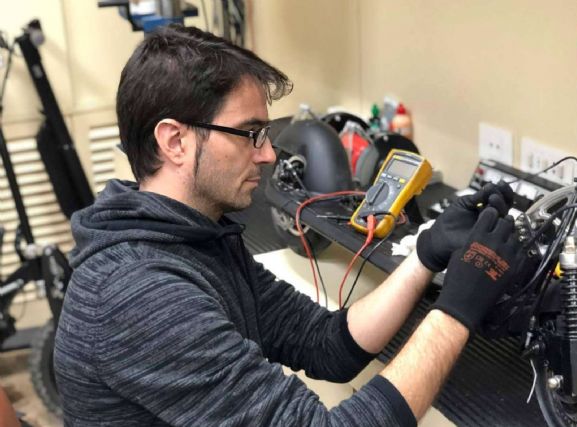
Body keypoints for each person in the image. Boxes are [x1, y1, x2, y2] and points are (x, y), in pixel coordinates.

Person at [54, 25, 534, 426]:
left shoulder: (194, 238)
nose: (267, 153)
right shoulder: (137, 294)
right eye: (250, 134)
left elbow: (326, 344)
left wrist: (425, 254)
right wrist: (455, 313)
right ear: (174, 141)